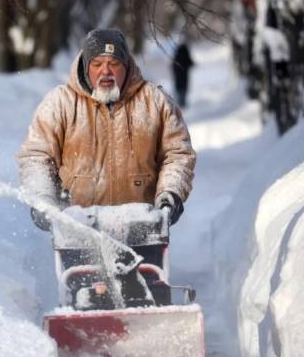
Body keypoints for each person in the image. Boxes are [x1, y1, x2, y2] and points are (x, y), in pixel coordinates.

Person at [16, 28, 196, 306]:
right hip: (80, 230)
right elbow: (36, 156)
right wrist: (43, 200)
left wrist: (170, 195)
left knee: (144, 297)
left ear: (127, 67)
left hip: (142, 226)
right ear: (86, 67)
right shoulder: (60, 104)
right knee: (87, 299)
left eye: (114, 64)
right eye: (97, 64)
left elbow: (178, 153)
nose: (106, 71)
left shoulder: (155, 102)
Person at [172, 40, 194, 108]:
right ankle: (183, 107)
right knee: (183, 93)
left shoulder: (177, 55)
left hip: (178, 79)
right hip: (184, 78)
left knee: (179, 93)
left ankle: (180, 107)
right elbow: (191, 63)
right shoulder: (186, 55)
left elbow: (173, 67)